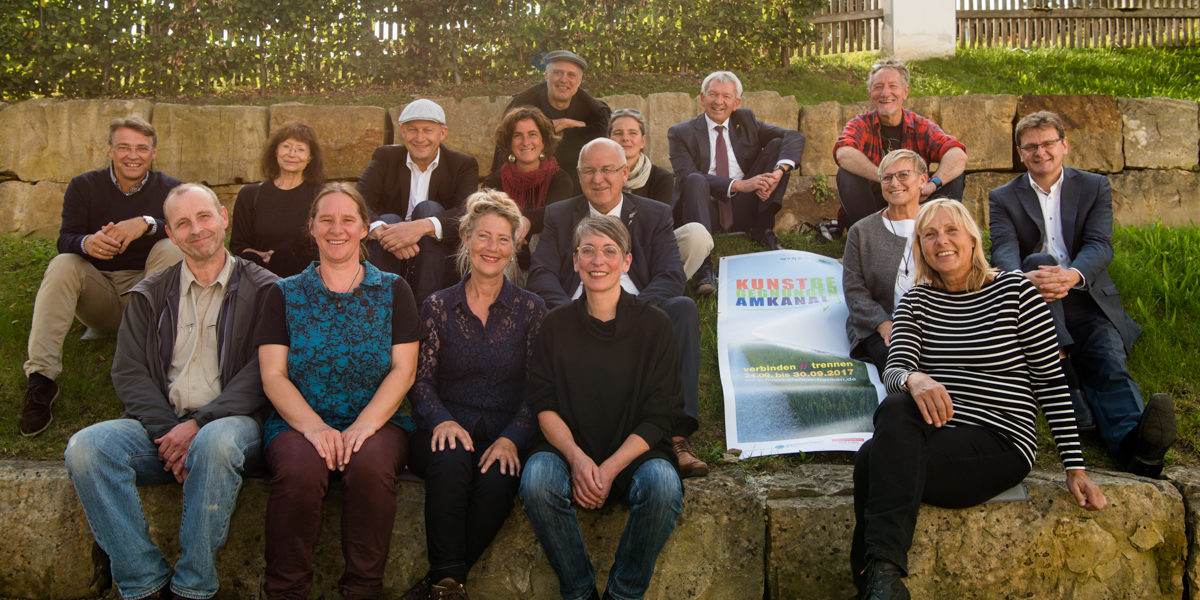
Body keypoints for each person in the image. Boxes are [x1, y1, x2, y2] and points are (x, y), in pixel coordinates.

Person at [851, 199, 1106, 600]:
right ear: (919, 246)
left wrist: (1075, 468)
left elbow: (1050, 382)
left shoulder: (1016, 291)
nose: (942, 242)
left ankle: (874, 584)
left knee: (873, 460)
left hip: (998, 442)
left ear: (972, 238)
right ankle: (883, 582)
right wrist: (915, 378)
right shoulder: (917, 300)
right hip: (934, 438)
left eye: (951, 230)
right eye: (930, 234)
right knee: (894, 413)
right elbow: (894, 370)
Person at [65, 183, 277, 600]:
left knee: (213, 443)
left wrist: (199, 425)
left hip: (235, 428)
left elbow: (264, 373)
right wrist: (170, 434)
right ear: (170, 234)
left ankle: (194, 587)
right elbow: (129, 373)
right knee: (87, 449)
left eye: (203, 217)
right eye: (183, 223)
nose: (196, 229)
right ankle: (143, 583)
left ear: (223, 217)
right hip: (163, 428)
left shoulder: (267, 289)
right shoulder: (149, 293)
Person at [255, 183, 423, 599]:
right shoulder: (284, 293)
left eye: (348, 220)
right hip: (299, 422)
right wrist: (313, 428)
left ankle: (363, 589)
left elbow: (404, 370)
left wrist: (364, 426)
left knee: (368, 466)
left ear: (365, 228)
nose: (337, 229)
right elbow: (273, 374)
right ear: (311, 227)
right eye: (326, 220)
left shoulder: (393, 290)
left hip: (379, 422)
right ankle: (286, 590)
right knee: (298, 471)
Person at [988, 110, 1175, 478]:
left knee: (1107, 359)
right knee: (1040, 260)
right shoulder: (1003, 196)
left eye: (1047, 144)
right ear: (1021, 153)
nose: (1040, 152)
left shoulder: (1093, 186)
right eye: (1030, 147)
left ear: (1064, 145)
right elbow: (1004, 249)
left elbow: (1099, 245)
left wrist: (1071, 275)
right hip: (1034, 297)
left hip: (1085, 294)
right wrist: (1025, 280)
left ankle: (1136, 446)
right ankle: (1069, 383)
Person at [520, 215, 685, 600]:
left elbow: (660, 414)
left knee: (663, 486)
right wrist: (577, 460)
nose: (598, 261)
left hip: (635, 456)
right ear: (574, 260)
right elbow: (543, 404)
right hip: (567, 451)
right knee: (537, 480)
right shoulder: (555, 325)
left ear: (626, 262)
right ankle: (579, 592)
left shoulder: (655, 326)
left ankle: (623, 594)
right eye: (588, 251)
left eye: (610, 251)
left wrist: (609, 468)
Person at [528, 138, 707, 479]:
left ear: (625, 172)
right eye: (590, 171)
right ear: (579, 176)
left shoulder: (655, 213)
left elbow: (670, 274)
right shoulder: (560, 214)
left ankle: (678, 435)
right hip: (577, 311)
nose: (599, 179)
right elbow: (542, 272)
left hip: (641, 310)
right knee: (542, 313)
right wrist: (569, 310)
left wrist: (634, 311)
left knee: (682, 308)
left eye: (608, 169)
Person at [401, 191, 547, 600]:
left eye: (503, 239)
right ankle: (450, 584)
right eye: (484, 236)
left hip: (504, 431)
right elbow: (420, 380)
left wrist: (512, 438)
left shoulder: (532, 309)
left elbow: (539, 388)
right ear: (466, 239)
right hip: (442, 428)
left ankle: (440, 584)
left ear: (515, 246)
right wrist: (442, 420)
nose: (492, 248)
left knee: (498, 479)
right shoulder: (436, 306)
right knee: (449, 459)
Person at [21, 116, 183, 437]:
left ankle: (157, 370)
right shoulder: (83, 186)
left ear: (153, 153)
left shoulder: (171, 189)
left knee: (172, 246)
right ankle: (41, 380)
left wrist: (146, 222)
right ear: (110, 150)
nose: (132, 155)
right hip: (101, 295)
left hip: (149, 295)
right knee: (64, 262)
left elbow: (190, 230)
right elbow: (65, 238)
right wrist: (87, 243)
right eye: (123, 147)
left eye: (141, 148)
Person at [357, 98, 480, 305]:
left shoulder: (463, 164)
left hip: (436, 258)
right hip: (388, 253)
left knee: (428, 209)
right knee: (388, 219)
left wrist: (420, 227)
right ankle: (379, 312)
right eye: (413, 130)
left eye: (427, 130)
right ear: (403, 132)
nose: (420, 138)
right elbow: (358, 200)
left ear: (442, 133)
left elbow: (466, 212)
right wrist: (385, 233)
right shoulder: (385, 157)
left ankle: (428, 309)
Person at [668, 71, 805, 252]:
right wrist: (740, 185)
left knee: (777, 145)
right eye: (713, 94)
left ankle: (762, 230)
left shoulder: (746, 121)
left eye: (726, 96)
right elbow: (686, 176)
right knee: (695, 179)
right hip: (704, 209)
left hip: (744, 205)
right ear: (702, 98)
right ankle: (703, 257)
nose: (718, 102)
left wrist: (779, 172)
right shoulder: (681, 132)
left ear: (736, 103)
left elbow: (794, 136)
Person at [833, 57, 968, 232]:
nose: (885, 93)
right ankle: (870, 236)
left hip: (915, 204)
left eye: (893, 86)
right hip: (875, 208)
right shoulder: (860, 123)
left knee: (954, 175)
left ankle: (937, 231)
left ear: (905, 92)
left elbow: (957, 155)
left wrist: (932, 184)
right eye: (878, 87)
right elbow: (843, 153)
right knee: (846, 174)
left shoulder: (920, 125)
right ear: (869, 93)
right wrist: (886, 178)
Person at [609, 108, 715, 294]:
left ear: (643, 141)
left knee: (698, 235)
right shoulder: (597, 175)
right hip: (606, 251)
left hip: (647, 250)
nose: (625, 138)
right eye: (618, 133)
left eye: (632, 133)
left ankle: (659, 291)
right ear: (609, 140)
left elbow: (658, 224)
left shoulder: (661, 177)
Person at [842, 149, 928, 372]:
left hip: (934, 320)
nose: (894, 183)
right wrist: (883, 323)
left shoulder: (939, 223)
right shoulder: (862, 231)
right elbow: (854, 289)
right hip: (879, 326)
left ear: (922, 180)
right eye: (887, 178)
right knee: (898, 366)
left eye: (903, 175)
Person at [493, 50, 611, 192]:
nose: (563, 79)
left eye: (571, 75)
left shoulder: (595, 111)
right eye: (558, 73)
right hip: (527, 184)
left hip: (576, 187)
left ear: (579, 81)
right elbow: (505, 146)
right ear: (546, 75)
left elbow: (605, 144)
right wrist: (559, 124)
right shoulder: (521, 104)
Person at [481, 106, 574, 269]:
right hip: (505, 256)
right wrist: (516, 227)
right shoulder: (494, 181)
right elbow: (486, 213)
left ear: (543, 140)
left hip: (549, 260)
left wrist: (528, 221)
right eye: (518, 136)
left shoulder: (560, 179)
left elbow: (556, 212)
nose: (525, 142)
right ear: (509, 143)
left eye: (532, 134)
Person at [231, 122, 324, 278]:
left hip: (308, 283)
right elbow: (238, 246)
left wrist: (283, 259)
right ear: (276, 151)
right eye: (286, 146)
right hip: (260, 280)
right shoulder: (249, 195)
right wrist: (262, 256)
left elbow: (327, 244)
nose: (292, 154)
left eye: (300, 149)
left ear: (310, 158)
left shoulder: (321, 197)